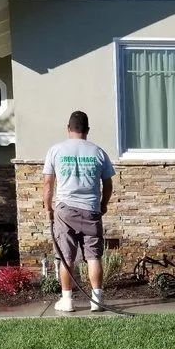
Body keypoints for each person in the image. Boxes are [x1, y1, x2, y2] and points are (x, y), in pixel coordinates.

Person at [43, 111, 116, 313]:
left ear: (68, 128)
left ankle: (67, 300)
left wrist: (48, 208)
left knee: (66, 257)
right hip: (91, 209)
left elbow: (48, 184)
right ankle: (97, 300)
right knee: (93, 256)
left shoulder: (55, 150)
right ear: (87, 130)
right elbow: (108, 184)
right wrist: (103, 204)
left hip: (65, 211)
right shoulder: (98, 152)